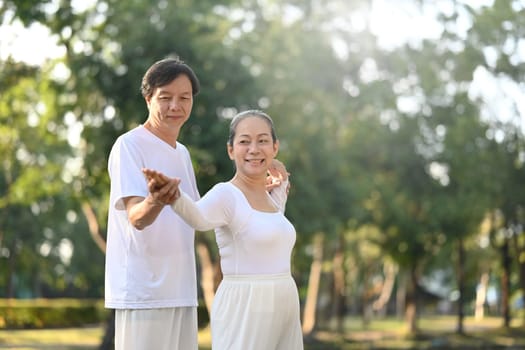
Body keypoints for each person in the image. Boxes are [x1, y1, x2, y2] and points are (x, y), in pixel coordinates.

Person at [143, 110, 304, 350]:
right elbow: (198, 217)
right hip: (245, 304)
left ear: (275, 147)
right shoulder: (226, 194)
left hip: (285, 301)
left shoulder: (272, 198)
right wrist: (172, 195)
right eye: (244, 141)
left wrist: (278, 169)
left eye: (262, 141)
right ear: (231, 150)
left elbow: (275, 210)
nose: (254, 148)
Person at [105, 57, 201, 350]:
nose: (176, 106)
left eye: (184, 98)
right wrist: (156, 200)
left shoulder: (182, 153)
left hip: (182, 290)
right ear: (148, 99)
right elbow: (136, 217)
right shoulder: (129, 145)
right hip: (144, 293)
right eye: (165, 97)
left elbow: (199, 215)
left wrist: (258, 185)